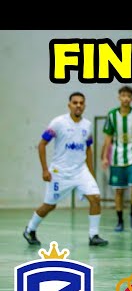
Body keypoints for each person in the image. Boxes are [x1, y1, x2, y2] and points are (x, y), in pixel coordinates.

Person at [22, 92, 108, 247]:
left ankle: (93, 235)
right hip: (60, 173)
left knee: (95, 198)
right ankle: (30, 229)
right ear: (69, 105)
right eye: (75, 103)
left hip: (80, 171)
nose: (78, 105)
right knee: (50, 205)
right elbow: (42, 145)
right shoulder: (58, 123)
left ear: (84, 106)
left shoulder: (87, 125)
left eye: (81, 103)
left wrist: (91, 173)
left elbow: (88, 149)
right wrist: (45, 170)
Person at [101, 85, 132, 232]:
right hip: (117, 157)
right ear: (119, 97)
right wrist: (104, 157)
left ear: (131, 98)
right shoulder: (112, 115)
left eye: (128, 96)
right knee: (119, 191)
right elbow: (107, 137)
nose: (126, 98)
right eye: (123, 95)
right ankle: (120, 220)